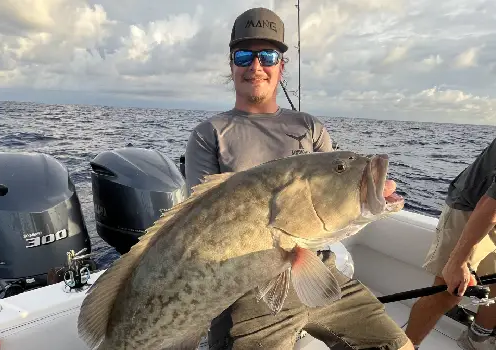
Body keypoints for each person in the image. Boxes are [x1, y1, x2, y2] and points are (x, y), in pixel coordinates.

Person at [184, 7, 414, 350]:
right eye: (244, 55)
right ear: (231, 64)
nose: (256, 66)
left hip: (320, 272)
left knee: (399, 345)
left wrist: (363, 199)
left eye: (269, 55)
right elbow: (203, 229)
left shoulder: (310, 128)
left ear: (282, 64)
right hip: (248, 293)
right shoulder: (209, 134)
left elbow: (331, 201)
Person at [405, 137, 496, 350]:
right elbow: (489, 205)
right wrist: (458, 261)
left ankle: (478, 338)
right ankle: (405, 346)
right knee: (447, 292)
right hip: (472, 208)